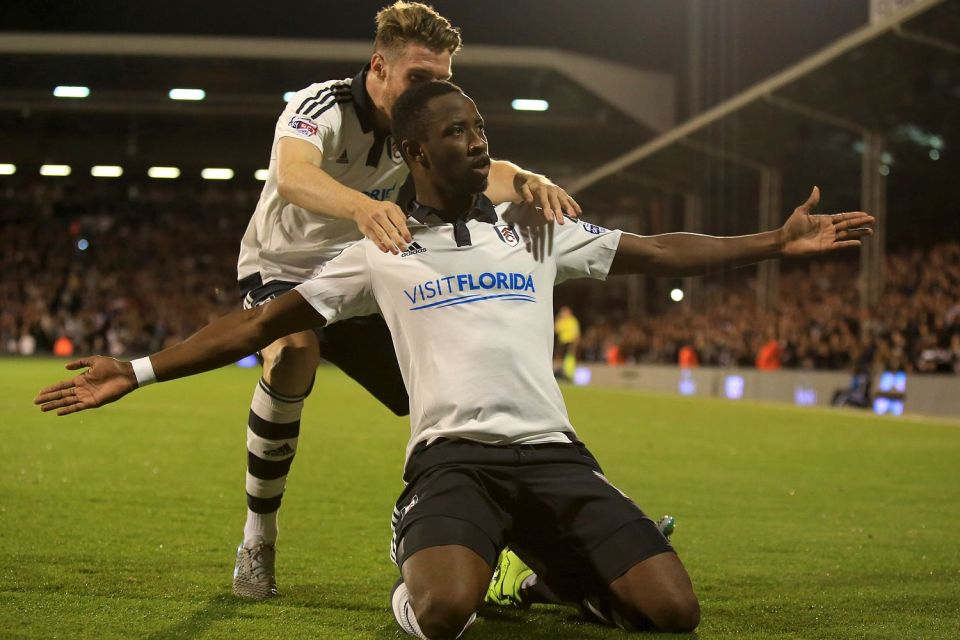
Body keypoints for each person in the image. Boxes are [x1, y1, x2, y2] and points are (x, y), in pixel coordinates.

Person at [35, 81, 873, 637]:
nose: (480, 143)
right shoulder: (381, 247)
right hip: (453, 463)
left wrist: (774, 241)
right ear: (416, 154)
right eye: (459, 132)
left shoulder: (535, 229)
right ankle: (445, 552)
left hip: (555, 458)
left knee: (674, 614)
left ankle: (545, 573)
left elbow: (656, 251)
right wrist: (137, 370)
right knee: (440, 613)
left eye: (481, 128)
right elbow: (260, 326)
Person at [232, 1, 581, 598]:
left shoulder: (420, 124)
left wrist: (528, 180)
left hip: (370, 273)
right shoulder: (321, 106)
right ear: (380, 67)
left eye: (442, 81)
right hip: (284, 269)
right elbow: (291, 174)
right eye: (420, 79)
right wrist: (363, 207)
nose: (433, 92)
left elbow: (487, 167)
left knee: (457, 390)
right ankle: (257, 539)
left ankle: (530, 541)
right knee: (293, 353)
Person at [553, 306, 581, 380]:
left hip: (571, 341)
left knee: (569, 358)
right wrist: (558, 320)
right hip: (562, 341)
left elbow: (576, 332)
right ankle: (559, 372)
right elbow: (556, 330)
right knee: (559, 357)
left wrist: (575, 343)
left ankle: (569, 374)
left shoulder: (573, 320)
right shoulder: (561, 320)